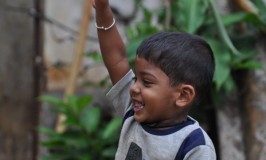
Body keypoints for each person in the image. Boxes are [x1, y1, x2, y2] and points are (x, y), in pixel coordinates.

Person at [93, 0, 217, 159]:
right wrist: (103, 10)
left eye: (147, 82)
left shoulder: (195, 145)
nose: (134, 88)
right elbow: (117, 61)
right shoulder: (132, 109)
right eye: (136, 78)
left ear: (183, 95)